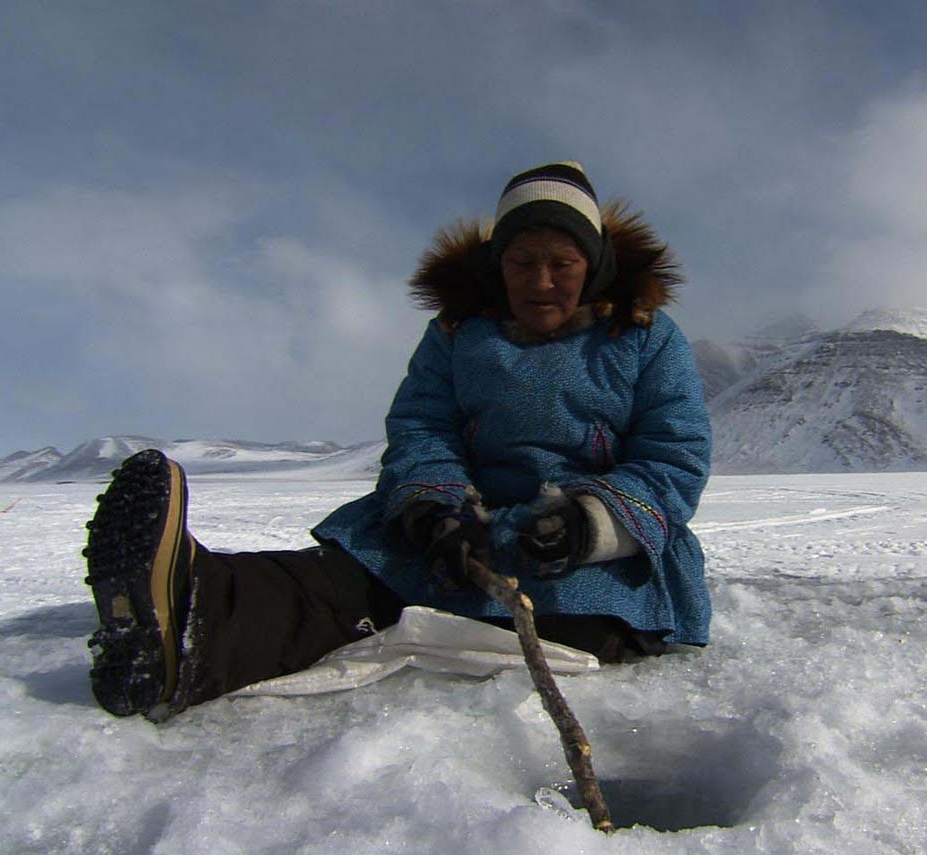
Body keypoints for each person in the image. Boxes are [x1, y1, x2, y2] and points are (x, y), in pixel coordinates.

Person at [83, 162, 713, 720]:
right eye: (523, 261)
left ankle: (415, 625)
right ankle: (185, 619)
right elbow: (421, 427)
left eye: (562, 263)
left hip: (591, 551)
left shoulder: (644, 338)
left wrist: (586, 524)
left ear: (594, 264)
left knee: (570, 624)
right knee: (334, 582)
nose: (541, 280)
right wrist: (433, 509)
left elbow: (674, 455)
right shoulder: (459, 335)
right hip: (462, 528)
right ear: (499, 268)